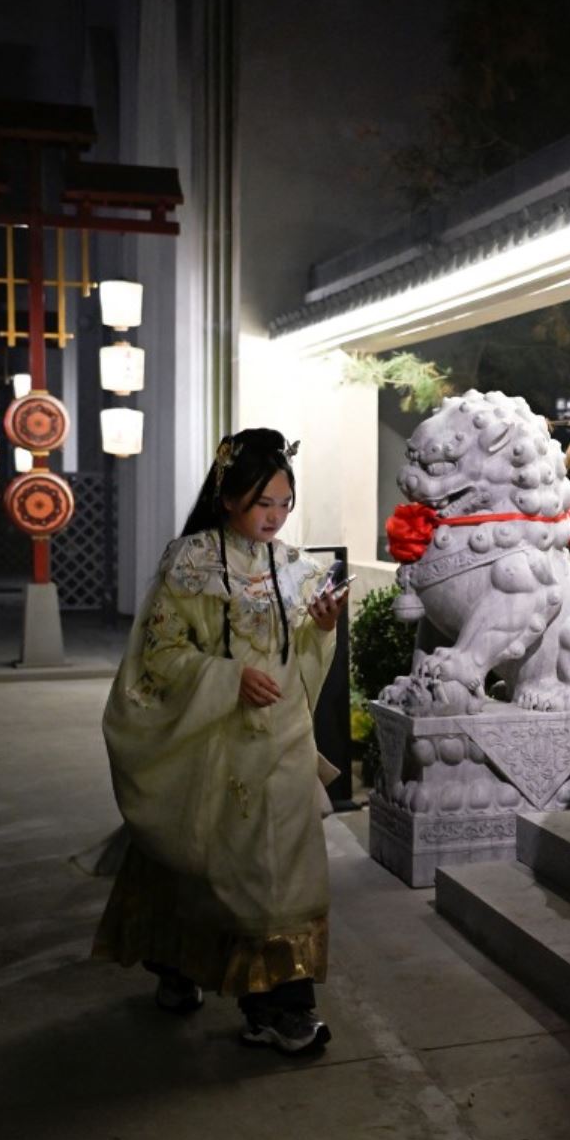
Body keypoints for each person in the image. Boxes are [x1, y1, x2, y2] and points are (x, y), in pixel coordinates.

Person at [93, 428, 346, 1055]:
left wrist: (321, 630)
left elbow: (304, 656)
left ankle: (281, 1007)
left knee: (281, 875)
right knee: (199, 861)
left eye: (285, 504)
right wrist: (227, 677)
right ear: (229, 497)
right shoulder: (191, 564)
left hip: (282, 742)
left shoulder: (298, 570)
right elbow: (159, 654)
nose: (275, 516)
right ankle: (182, 966)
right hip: (214, 740)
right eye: (264, 503)